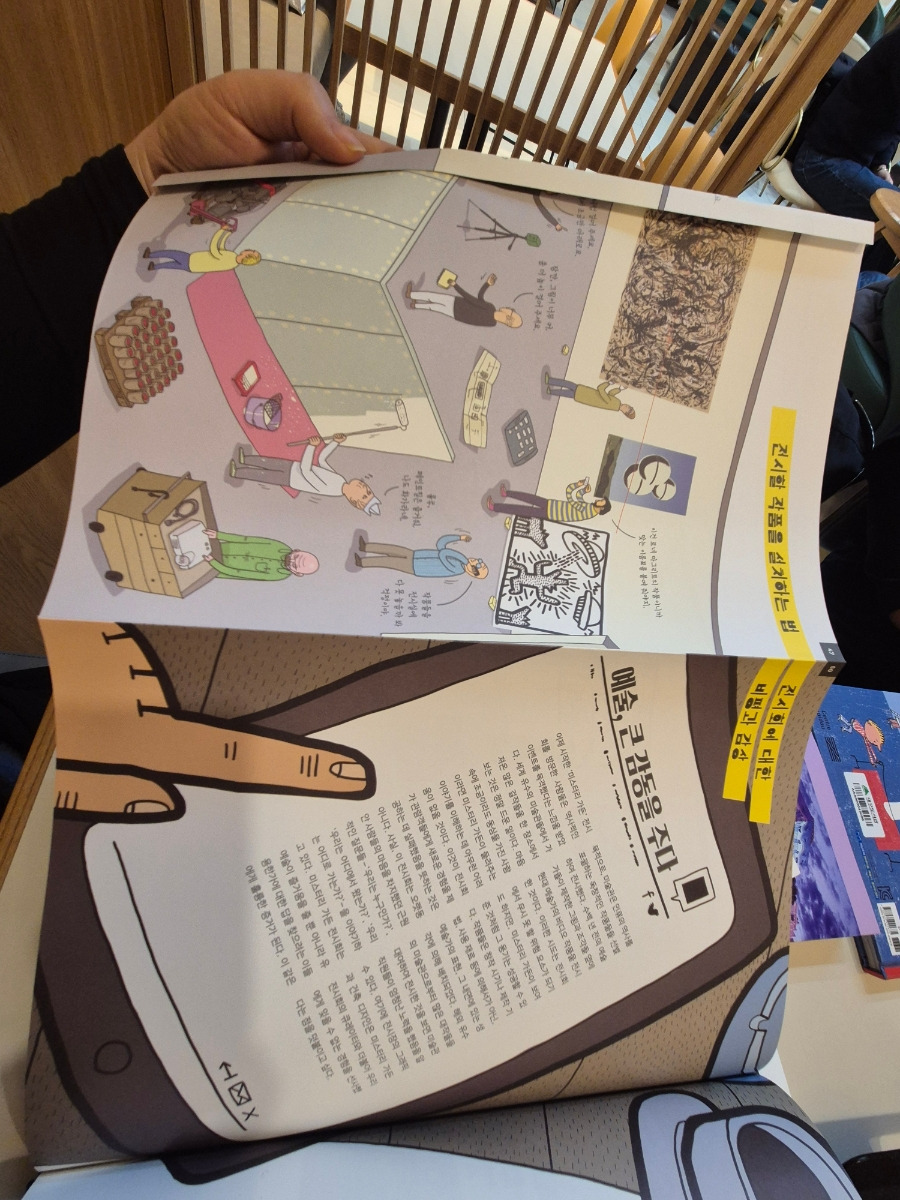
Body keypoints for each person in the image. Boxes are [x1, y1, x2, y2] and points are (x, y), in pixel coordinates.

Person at [0, 69, 395, 491]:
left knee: (169, 264)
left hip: (176, 264)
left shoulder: (232, 265)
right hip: (190, 260)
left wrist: (142, 181)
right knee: (169, 261)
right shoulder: (233, 261)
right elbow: (222, 249)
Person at [792, 28, 900, 234]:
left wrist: (880, 165)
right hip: (821, 161)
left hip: (849, 161)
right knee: (892, 225)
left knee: (892, 226)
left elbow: (893, 123)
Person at [229, 440, 381, 513]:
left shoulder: (334, 489)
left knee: (263, 475)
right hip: (293, 467)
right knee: (267, 462)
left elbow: (307, 472)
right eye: (369, 490)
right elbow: (322, 460)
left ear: (353, 500)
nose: (364, 487)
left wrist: (311, 447)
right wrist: (335, 442)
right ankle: (245, 459)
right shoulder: (340, 481)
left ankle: (238, 472)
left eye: (364, 495)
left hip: (293, 478)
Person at [404, 274, 522, 328]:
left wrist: (455, 285)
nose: (509, 308)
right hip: (458, 315)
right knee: (435, 307)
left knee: (434, 298)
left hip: (458, 304)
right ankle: (415, 305)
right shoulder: (491, 322)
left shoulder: (491, 309)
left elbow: (472, 299)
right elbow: (479, 298)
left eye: (511, 311)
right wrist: (487, 284)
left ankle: (411, 295)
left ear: (508, 316)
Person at [203, 530, 319, 582]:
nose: (291, 561)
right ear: (297, 550)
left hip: (216, 568)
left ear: (297, 573)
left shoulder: (278, 575)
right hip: (220, 547)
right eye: (296, 557)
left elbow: (240, 573)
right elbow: (246, 539)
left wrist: (213, 563)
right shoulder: (279, 546)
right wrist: (218, 535)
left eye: (294, 565)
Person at [354, 534, 488, 579]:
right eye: (479, 561)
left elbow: (443, 554)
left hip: (416, 567)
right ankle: (365, 547)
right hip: (416, 554)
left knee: (389, 561)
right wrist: (459, 537)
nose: (476, 560)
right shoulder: (459, 561)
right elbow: (440, 544)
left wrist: (464, 559)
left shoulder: (457, 568)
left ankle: (362, 563)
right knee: (392, 549)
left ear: (473, 571)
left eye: (477, 564)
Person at [486, 479, 610, 522]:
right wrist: (583, 491)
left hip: (551, 512)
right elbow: (578, 498)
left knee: (521, 510)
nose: (599, 500)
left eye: (601, 502)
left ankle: (494, 507)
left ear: (601, 509)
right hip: (552, 505)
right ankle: (506, 493)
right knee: (527, 498)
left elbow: (570, 495)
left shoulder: (588, 511)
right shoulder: (590, 508)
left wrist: (577, 485)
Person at [144, 228, 262, 272]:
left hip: (193, 260)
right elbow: (221, 248)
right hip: (194, 267)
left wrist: (221, 231)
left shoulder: (231, 259)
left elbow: (214, 249)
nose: (250, 250)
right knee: (172, 265)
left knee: (172, 254)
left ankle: (150, 255)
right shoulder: (233, 261)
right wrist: (227, 234)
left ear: (248, 256)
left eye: (252, 252)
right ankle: (154, 267)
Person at [543, 374, 635, 419]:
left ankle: (550, 382)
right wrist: (619, 389)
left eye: (628, 409)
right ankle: (550, 391)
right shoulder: (617, 403)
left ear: (624, 412)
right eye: (629, 407)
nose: (627, 406)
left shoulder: (614, 405)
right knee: (567, 393)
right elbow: (610, 394)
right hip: (588, 396)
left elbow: (601, 389)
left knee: (567, 386)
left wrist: (608, 383)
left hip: (588, 395)